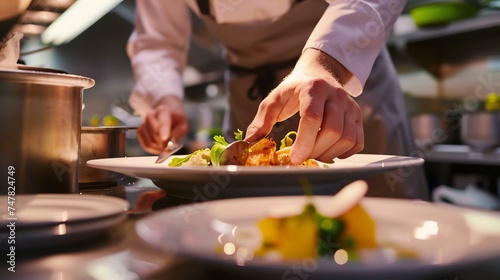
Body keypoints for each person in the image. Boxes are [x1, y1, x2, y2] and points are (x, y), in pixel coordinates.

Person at [127, 0, 429, 200]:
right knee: (248, 227)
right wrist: (165, 98)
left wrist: (323, 63)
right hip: (250, 99)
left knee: (377, 220)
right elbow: (157, 40)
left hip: (345, 83)